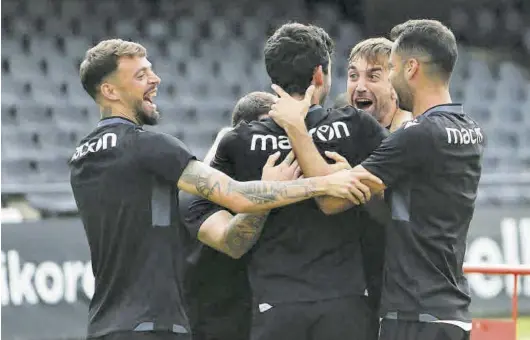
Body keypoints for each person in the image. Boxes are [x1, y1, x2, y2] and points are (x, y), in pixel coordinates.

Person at [69, 39, 380, 340]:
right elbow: (236, 195)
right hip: (151, 321)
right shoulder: (148, 145)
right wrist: (325, 182)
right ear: (109, 90)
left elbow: (229, 237)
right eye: (141, 75)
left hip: (105, 322)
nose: (155, 79)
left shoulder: (82, 156)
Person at [269, 19, 484, 340]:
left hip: (415, 313)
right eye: (353, 75)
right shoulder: (469, 129)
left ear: (412, 68)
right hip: (450, 309)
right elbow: (409, 200)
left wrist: (296, 129)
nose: (393, 76)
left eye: (391, 69)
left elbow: (330, 200)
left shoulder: (416, 136)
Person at [184, 23, 387, 340]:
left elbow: (219, 231)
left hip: (275, 304)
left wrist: (265, 194)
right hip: (345, 300)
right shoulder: (357, 126)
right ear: (320, 75)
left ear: (273, 79)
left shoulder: (237, 143)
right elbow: (400, 193)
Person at [178, 92, 288, 340]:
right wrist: (268, 192)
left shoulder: (280, 186)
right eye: (267, 133)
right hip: (212, 324)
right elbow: (233, 243)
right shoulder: (198, 191)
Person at [346, 37, 412, 132]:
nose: (360, 88)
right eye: (353, 75)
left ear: (395, 86)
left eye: (372, 76)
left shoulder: (414, 137)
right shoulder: (337, 135)